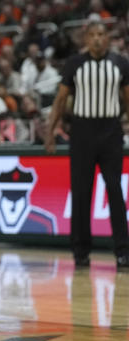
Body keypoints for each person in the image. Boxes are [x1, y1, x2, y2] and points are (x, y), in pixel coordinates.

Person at [45, 21, 129, 268]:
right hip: (82, 132)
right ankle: (80, 252)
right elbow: (61, 99)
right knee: (81, 192)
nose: (96, 39)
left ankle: (123, 250)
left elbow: (127, 98)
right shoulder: (74, 63)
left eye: (101, 34)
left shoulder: (121, 63)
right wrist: (50, 132)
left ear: (108, 38)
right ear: (85, 38)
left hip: (111, 131)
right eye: (92, 35)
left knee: (115, 189)